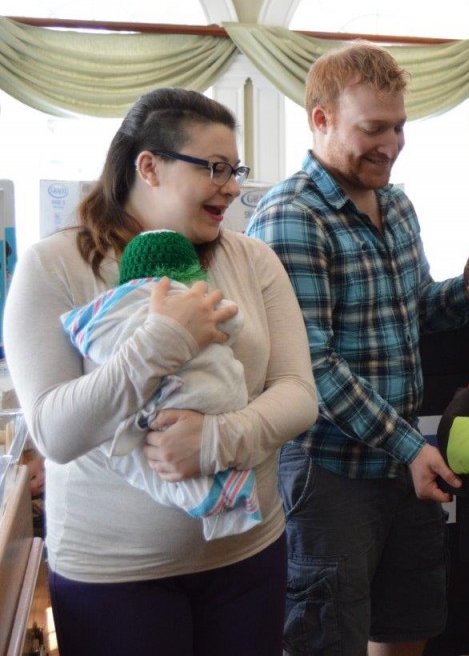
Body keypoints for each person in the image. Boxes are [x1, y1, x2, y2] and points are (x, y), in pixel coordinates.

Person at [3, 87, 319, 656]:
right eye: (215, 168)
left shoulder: (252, 258)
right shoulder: (55, 265)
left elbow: (298, 393)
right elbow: (54, 431)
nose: (233, 186)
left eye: (236, 169)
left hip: (248, 555)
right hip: (116, 576)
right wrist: (161, 342)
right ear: (147, 165)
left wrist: (219, 439)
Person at [246, 43, 469, 656]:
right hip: (330, 474)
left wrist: (463, 291)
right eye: (373, 129)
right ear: (320, 119)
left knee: (405, 626)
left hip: (403, 462)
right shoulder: (290, 217)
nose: (391, 144)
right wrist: (410, 444)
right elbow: (312, 362)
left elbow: (411, 307)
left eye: (399, 127)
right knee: (326, 637)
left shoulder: (396, 204)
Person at [61, 229, 259, 540]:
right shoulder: (197, 298)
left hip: (152, 404)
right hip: (212, 396)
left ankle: (205, 496)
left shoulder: (112, 306)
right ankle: (222, 493)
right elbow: (232, 324)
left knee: (133, 456)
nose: (231, 187)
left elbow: (90, 337)